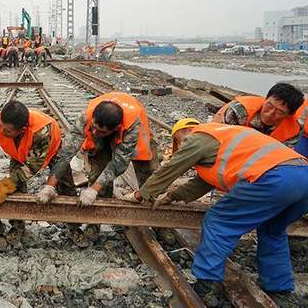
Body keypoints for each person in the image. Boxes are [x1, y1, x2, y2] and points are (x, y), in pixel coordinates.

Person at [124, 119, 308, 306]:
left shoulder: (200, 136)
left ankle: (207, 283)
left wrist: (142, 194)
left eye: (179, 139)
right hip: (303, 175)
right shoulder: (223, 141)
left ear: (188, 129)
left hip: (274, 177)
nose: (182, 145)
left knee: (218, 220)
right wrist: (171, 196)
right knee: (273, 230)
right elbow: (203, 183)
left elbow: (172, 167)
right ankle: (280, 289)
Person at [0, 100, 77, 251]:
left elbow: (32, 167)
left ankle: (74, 226)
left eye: (6, 131)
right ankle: (18, 225)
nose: (1, 131)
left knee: (65, 185)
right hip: (18, 151)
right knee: (16, 187)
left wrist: (6, 185)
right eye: (1, 126)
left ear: (22, 129)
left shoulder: (41, 132)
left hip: (51, 150)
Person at [213, 83, 304, 146]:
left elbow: (282, 156)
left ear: (290, 114)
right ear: (265, 98)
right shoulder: (239, 111)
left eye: (279, 112)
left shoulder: (294, 130)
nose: (270, 113)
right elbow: (217, 140)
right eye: (269, 105)